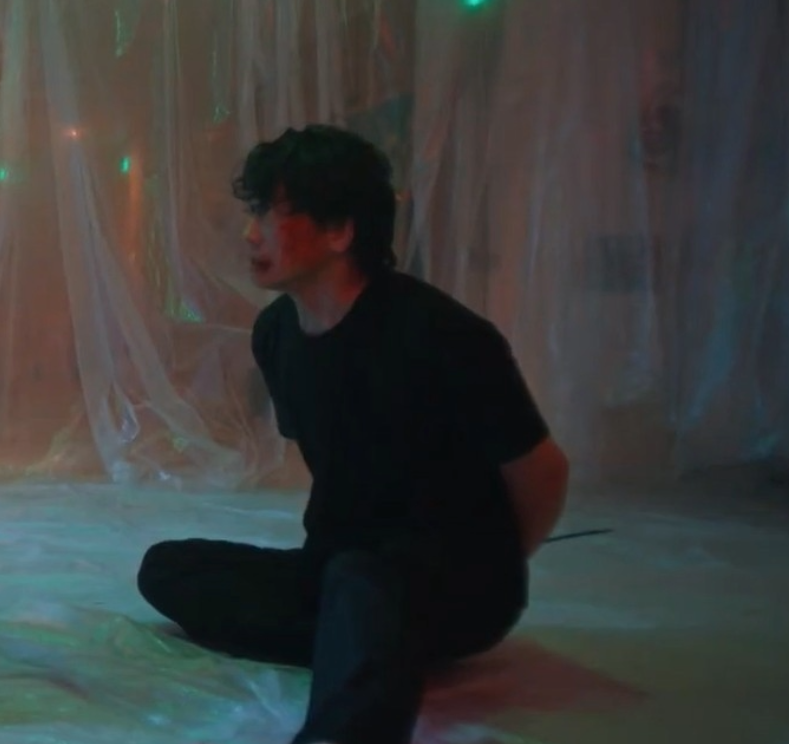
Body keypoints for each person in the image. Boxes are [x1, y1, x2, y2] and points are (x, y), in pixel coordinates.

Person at [135, 125, 570, 744]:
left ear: (340, 230)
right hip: (337, 567)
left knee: (367, 581)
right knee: (168, 568)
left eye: (272, 215)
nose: (251, 234)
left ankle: (354, 694)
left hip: (441, 582)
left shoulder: (442, 336)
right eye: (253, 213)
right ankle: (363, 644)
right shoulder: (276, 333)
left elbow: (542, 471)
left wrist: (490, 569)